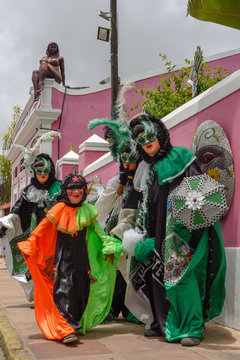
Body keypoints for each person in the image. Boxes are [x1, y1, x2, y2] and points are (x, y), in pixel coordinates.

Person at [122, 113, 226, 346]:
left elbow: (200, 192)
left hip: (181, 232)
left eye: (149, 135)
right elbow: (140, 204)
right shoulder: (143, 169)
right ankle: (162, 322)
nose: (146, 141)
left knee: (181, 278)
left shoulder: (182, 157)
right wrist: (139, 238)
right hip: (153, 234)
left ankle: (191, 326)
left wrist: (183, 229)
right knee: (153, 275)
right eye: (139, 139)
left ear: (159, 134)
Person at [18, 174, 123, 344]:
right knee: (65, 289)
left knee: (81, 290)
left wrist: (107, 245)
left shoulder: (87, 210)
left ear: (84, 190)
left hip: (83, 260)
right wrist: (31, 243)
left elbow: (98, 231)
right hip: (63, 260)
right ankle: (66, 328)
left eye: (79, 188)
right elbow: (42, 228)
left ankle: (74, 323)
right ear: (65, 191)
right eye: (71, 188)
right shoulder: (58, 209)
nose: (76, 192)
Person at [0, 153, 62, 302]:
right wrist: (6, 224)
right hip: (36, 236)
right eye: (38, 170)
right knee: (36, 266)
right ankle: (39, 297)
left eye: (45, 170)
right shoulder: (29, 191)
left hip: (56, 235)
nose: (42, 174)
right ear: (34, 171)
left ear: (51, 170)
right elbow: (17, 210)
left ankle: (57, 296)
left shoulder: (60, 188)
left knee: (56, 264)